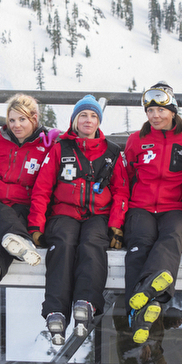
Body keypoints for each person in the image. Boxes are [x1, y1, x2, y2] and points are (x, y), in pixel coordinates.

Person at [29, 95, 130, 346]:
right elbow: (42, 189)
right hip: (64, 212)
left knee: (91, 245)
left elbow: (121, 192)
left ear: (99, 121)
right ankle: (56, 310)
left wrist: (116, 225)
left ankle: (86, 302)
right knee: (62, 244)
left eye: (93, 116)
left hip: (98, 214)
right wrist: (36, 226)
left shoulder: (112, 152)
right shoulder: (60, 149)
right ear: (74, 120)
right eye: (83, 115)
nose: (88, 120)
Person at [123, 82, 182, 344]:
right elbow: (127, 177)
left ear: (173, 110)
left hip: (175, 207)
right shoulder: (137, 140)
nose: (155, 116)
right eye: (150, 111)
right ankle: (144, 307)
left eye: (160, 110)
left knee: (172, 239)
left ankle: (144, 300)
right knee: (140, 245)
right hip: (141, 206)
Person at [0, 94, 56, 288]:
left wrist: (56, 140)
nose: (16, 125)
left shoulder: (45, 148)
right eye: (12, 120)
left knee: (6, 229)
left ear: (34, 119)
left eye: (22, 119)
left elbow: (44, 188)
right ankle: (22, 240)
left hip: (21, 207)